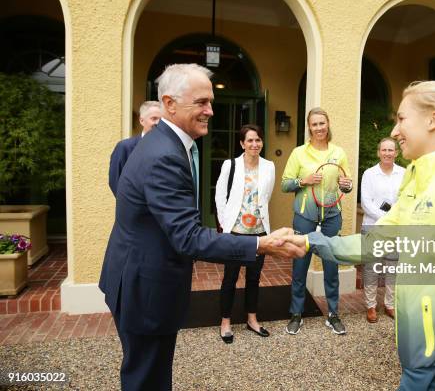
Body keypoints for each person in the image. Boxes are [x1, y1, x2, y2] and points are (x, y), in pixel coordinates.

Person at [282, 81, 435, 390]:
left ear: (432, 120)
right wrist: (311, 242)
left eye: (401, 119)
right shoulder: (416, 181)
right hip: (420, 353)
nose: (395, 131)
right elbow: (376, 241)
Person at [99, 63, 304, 391]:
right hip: (145, 290)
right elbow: (188, 236)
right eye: (201, 102)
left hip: (137, 279)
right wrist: (260, 244)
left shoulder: (163, 144)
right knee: (145, 380)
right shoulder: (164, 153)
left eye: (210, 101)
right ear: (169, 104)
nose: (210, 110)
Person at [281, 107, 353, 335]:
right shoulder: (299, 153)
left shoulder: (338, 152)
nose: (319, 128)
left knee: (331, 266)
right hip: (305, 217)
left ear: (328, 124)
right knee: (300, 265)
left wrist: (346, 186)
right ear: (309, 127)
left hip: (331, 216)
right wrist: (304, 180)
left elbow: (347, 183)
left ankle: (333, 314)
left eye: (322, 123)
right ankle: (296, 314)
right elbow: (285, 184)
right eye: (315, 124)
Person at [215, 124, 275, 343]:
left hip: (259, 232)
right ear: (242, 143)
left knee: (254, 278)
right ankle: (225, 322)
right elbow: (220, 196)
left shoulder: (269, 166)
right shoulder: (230, 165)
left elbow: (267, 196)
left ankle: (252, 319)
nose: (254, 144)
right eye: (249, 140)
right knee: (230, 278)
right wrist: (224, 226)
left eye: (258, 140)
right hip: (235, 233)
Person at [360, 137, 405, 323]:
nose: (387, 153)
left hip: (395, 229)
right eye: (384, 150)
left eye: (391, 150)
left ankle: (390, 304)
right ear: (379, 152)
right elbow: (366, 202)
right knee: (371, 268)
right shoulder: (369, 174)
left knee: (392, 266)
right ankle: (371, 306)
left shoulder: (404, 174)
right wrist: (386, 218)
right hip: (373, 226)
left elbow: (406, 200)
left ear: (396, 153)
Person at [109, 101, 162, 196]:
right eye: (154, 118)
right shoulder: (125, 147)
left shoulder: (169, 146)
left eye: (161, 119)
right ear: (142, 120)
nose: (158, 122)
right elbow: (115, 181)